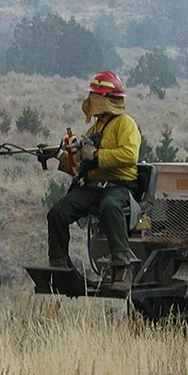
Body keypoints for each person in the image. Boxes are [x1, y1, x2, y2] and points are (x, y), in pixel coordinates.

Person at [47, 70, 142, 291]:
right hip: (93, 187)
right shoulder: (94, 129)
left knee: (110, 206)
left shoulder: (126, 125)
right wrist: (58, 156)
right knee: (57, 213)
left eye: (95, 96)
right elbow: (80, 167)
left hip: (120, 186)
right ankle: (60, 266)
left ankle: (122, 267)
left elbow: (130, 156)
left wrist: (97, 156)